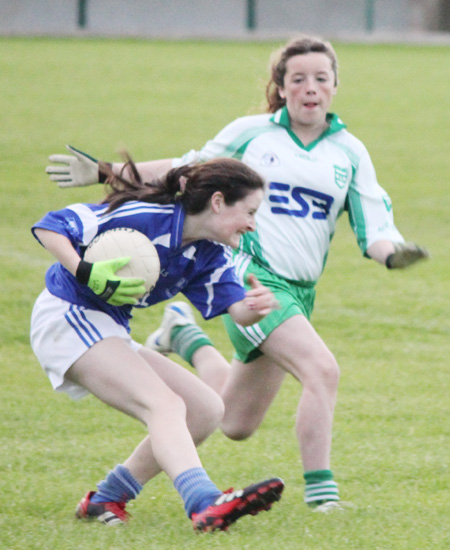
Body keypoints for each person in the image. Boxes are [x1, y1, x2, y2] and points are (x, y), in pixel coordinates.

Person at [46, 34, 429, 512]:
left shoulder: (350, 153)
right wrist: (107, 171)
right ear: (282, 86)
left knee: (234, 422)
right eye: (299, 79)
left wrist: (393, 254)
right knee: (322, 369)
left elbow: (375, 229)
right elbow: (185, 170)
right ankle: (324, 497)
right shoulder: (252, 133)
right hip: (250, 275)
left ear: (335, 86)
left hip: (298, 291)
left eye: (321, 79)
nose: (310, 87)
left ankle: (186, 337)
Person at [32, 155, 284, 532]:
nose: (252, 223)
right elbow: (50, 226)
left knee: (206, 409)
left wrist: (255, 307)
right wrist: (85, 270)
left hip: (107, 326)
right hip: (67, 315)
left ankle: (107, 497)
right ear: (217, 202)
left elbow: (238, 311)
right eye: (249, 211)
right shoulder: (145, 216)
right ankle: (204, 502)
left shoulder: (209, 254)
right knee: (164, 404)